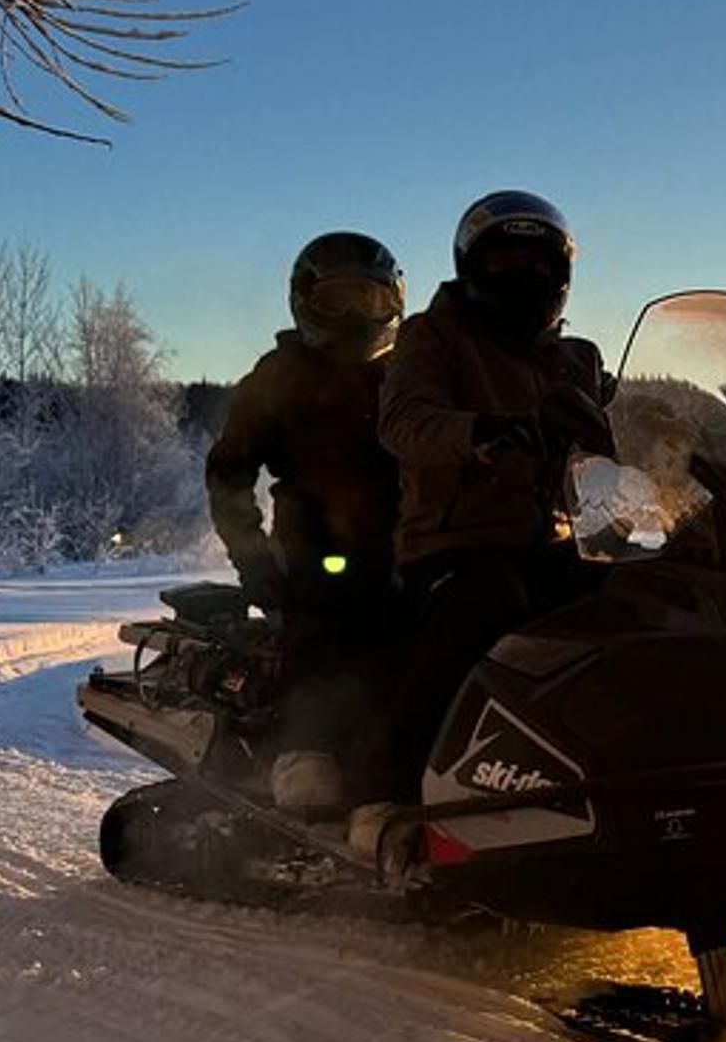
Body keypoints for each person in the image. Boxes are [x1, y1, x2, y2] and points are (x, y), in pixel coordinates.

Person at [374, 190, 613, 806]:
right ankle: (394, 792)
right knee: (486, 603)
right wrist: (480, 431)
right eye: (505, 262)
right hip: (454, 543)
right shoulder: (434, 336)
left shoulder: (576, 358)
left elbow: (629, 422)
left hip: (559, 541)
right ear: (472, 267)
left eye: (536, 264)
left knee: (648, 598)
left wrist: (715, 447)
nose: (523, 276)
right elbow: (404, 420)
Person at [205, 232, 405, 815]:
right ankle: (301, 750)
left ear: (392, 303)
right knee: (326, 619)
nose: (352, 315)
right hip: (315, 547)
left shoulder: (409, 373)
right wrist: (253, 558)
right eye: (336, 300)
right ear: (305, 301)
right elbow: (228, 472)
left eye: (366, 301)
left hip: (412, 542)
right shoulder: (279, 375)